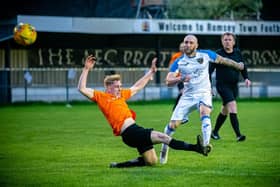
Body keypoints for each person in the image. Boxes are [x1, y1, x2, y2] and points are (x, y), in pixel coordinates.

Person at [78, 55, 210, 168]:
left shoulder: (121, 95)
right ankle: (196, 148)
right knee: (163, 137)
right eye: (117, 86)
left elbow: (137, 86)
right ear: (108, 87)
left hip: (134, 131)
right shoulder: (101, 97)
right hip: (130, 132)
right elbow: (82, 88)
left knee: (151, 162)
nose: (119, 88)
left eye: (120, 86)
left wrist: (150, 72)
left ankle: (118, 166)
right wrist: (86, 69)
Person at [159, 34, 245, 164]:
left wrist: (238, 66)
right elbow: (168, 81)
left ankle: (206, 145)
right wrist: (180, 78)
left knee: (205, 112)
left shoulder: (206, 55)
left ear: (196, 45)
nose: (187, 45)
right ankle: (164, 149)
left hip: (204, 92)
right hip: (187, 96)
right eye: (186, 42)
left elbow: (224, 60)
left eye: (190, 42)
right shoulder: (179, 61)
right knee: (172, 126)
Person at [209, 32, 251, 142]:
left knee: (225, 110)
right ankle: (238, 135)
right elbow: (209, 71)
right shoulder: (217, 54)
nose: (227, 41)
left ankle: (214, 132)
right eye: (225, 40)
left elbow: (243, 66)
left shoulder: (237, 53)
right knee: (232, 106)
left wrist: (246, 78)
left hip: (234, 86)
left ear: (233, 42)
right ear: (222, 42)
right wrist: (209, 86)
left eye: (229, 40)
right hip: (222, 85)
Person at [169, 42, 185, 111]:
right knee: (182, 92)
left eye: (183, 47)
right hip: (179, 78)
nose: (182, 48)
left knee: (185, 93)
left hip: (187, 78)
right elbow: (171, 66)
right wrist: (172, 75)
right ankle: (176, 108)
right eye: (181, 47)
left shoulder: (190, 56)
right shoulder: (176, 56)